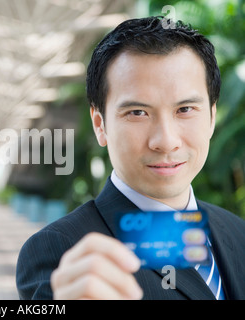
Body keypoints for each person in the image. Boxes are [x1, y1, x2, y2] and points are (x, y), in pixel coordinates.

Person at [16, 16, 245, 300]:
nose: (166, 141)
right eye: (137, 113)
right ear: (100, 125)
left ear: (211, 117)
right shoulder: (62, 252)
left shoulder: (238, 233)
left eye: (185, 109)